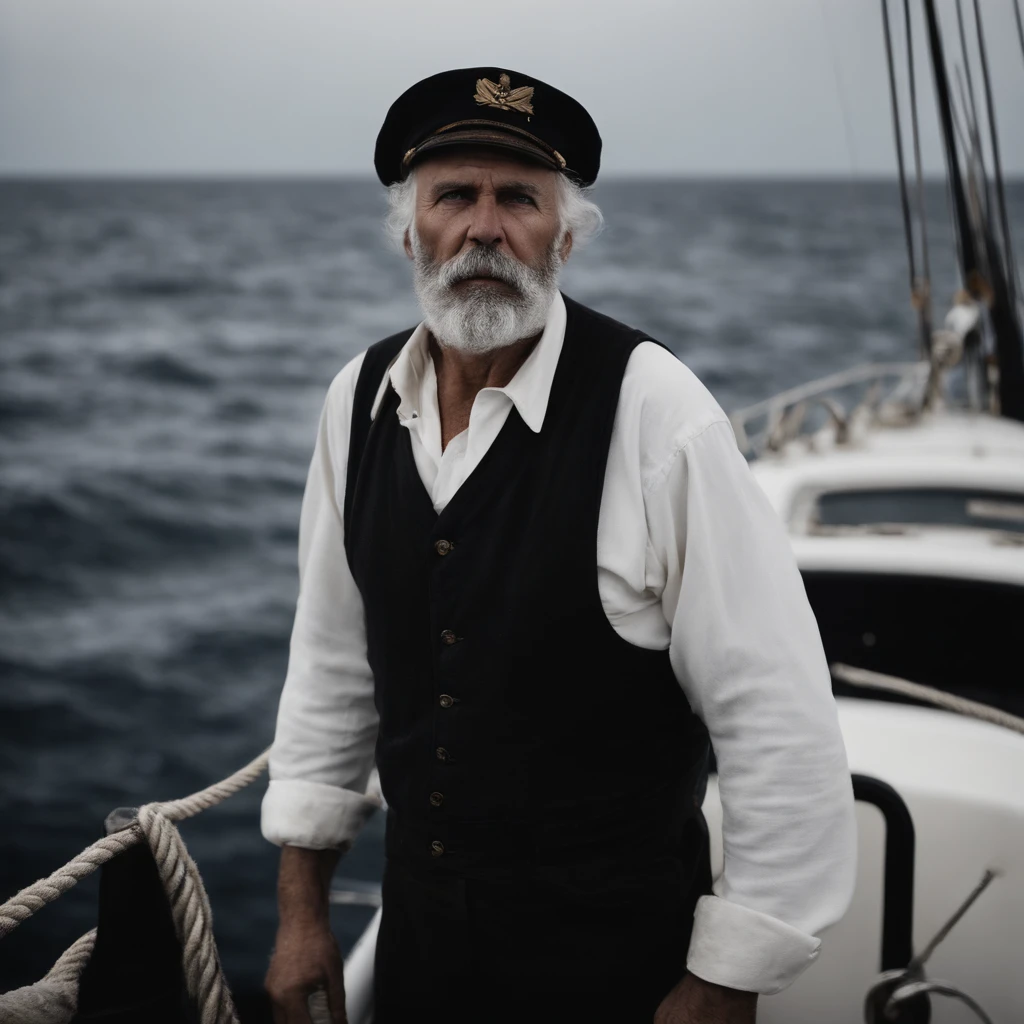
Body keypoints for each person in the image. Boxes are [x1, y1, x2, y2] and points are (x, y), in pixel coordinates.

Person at [261, 67, 857, 1024]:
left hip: (617, 963)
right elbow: (331, 668)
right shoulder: (357, 402)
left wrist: (728, 976)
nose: (484, 228)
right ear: (410, 230)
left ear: (567, 236)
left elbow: (777, 718)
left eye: (520, 200)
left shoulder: (656, 411)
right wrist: (300, 912)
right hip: (420, 943)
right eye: (454, 195)